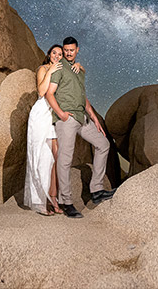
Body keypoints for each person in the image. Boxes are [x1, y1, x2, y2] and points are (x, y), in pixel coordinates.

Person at [45, 36, 113, 218]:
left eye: (71, 50)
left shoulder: (79, 71)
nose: (67, 53)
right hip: (67, 118)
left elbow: (83, 97)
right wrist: (60, 114)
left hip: (82, 117)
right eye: (65, 50)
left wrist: (94, 118)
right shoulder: (59, 67)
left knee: (103, 144)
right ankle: (65, 201)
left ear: (77, 50)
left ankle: (97, 190)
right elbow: (49, 93)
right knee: (65, 159)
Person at [24, 44, 84, 215]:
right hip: (41, 114)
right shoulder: (43, 69)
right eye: (54, 53)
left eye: (60, 54)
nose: (57, 56)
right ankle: (41, 203)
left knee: (55, 158)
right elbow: (42, 92)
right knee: (41, 156)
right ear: (49, 54)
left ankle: (53, 198)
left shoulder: (64, 69)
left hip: (54, 116)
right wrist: (50, 71)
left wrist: (79, 66)